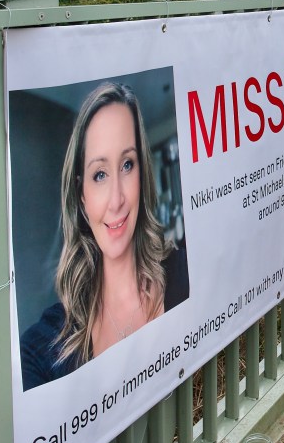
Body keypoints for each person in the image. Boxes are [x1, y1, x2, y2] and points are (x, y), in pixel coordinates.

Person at [20, 82, 189, 391]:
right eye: (100, 174)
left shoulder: (186, 274)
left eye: (127, 165)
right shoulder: (39, 349)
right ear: (81, 196)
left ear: (143, 174)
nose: (116, 200)